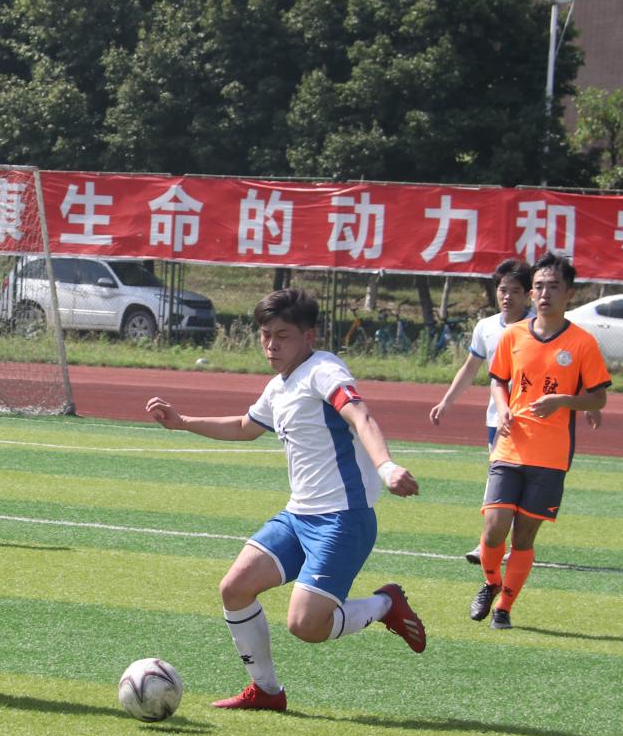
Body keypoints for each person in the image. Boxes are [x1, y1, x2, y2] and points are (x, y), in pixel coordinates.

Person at [146, 288, 425, 712]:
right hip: (298, 517)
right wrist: (183, 422)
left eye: (282, 336)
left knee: (306, 626)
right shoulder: (279, 386)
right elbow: (245, 427)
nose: (271, 345)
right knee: (235, 589)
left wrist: (386, 466)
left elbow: (360, 415)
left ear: (308, 336)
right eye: (265, 335)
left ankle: (386, 604)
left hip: (342, 519)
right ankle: (267, 691)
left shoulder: (324, 371)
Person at [469, 251, 611, 630]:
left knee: (524, 536)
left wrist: (563, 401)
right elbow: (498, 380)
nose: (545, 294)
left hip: (550, 455)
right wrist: (502, 408)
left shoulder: (582, 343)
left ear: (569, 294)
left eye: (553, 287)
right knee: (493, 527)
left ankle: (504, 607)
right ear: (531, 293)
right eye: (539, 287)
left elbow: (598, 397)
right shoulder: (513, 335)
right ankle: (490, 582)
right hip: (510, 446)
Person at [430, 258, 534, 565]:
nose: (507, 297)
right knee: (499, 480)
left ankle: (519, 545)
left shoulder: (537, 327)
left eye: (515, 291)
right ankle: (487, 543)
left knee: (527, 484)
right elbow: (470, 367)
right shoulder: (486, 327)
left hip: (533, 419)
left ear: (527, 294)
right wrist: (447, 401)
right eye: (503, 290)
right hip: (498, 419)